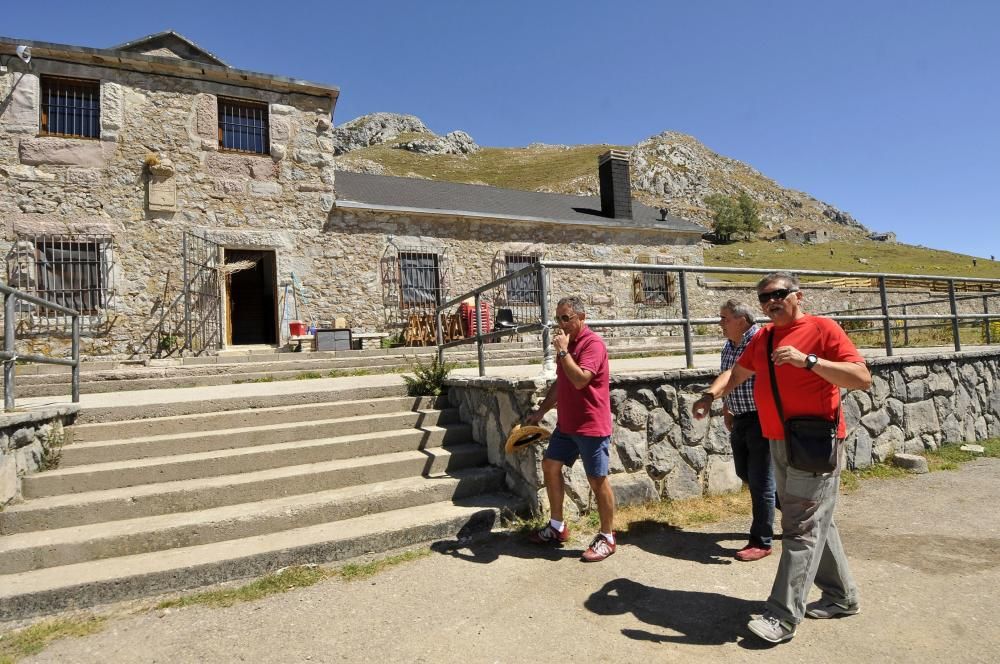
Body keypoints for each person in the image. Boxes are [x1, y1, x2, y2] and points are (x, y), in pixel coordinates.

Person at [692, 272, 871, 644]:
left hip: (814, 443)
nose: (770, 301)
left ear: (798, 295)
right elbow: (738, 372)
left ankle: (783, 616)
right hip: (779, 441)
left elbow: (860, 377)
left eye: (778, 294)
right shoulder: (767, 338)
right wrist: (710, 396)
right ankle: (842, 597)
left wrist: (809, 361)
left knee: (800, 528)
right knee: (817, 523)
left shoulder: (823, 329)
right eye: (764, 298)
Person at [525, 296, 616, 562]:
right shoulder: (567, 345)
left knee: (597, 480)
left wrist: (564, 352)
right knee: (550, 466)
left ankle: (608, 537)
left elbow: (580, 380)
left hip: (591, 425)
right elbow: (562, 382)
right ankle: (557, 526)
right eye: (558, 319)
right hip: (567, 423)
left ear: (581, 317)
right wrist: (541, 410)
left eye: (566, 318)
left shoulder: (593, 344)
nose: (561, 324)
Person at [701, 299, 774, 562]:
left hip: (763, 417)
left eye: (724, 318)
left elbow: (738, 374)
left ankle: (761, 540)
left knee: (760, 481)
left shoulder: (760, 341)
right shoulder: (729, 346)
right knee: (746, 473)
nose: (720, 323)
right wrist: (727, 408)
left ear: (741, 320)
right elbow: (728, 378)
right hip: (741, 417)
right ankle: (791, 509)